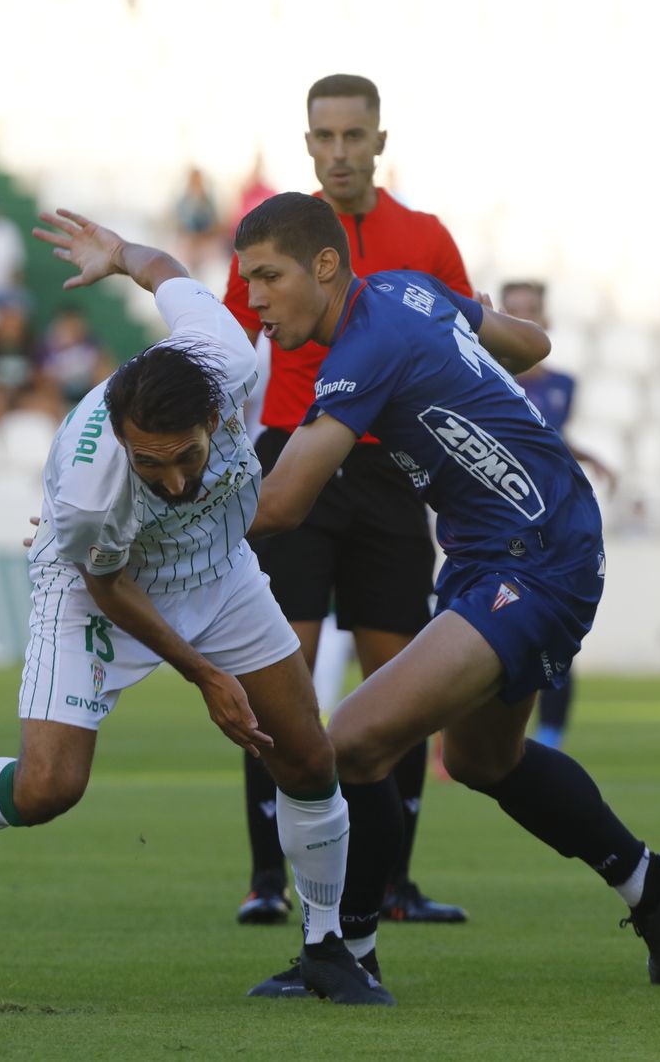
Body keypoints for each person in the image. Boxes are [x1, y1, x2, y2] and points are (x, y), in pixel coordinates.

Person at [0, 208, 392, 1005]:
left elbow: (166, 271)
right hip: (97, 594)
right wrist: (204, 675)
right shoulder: (88, 493)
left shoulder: (230, 360)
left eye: (186, 459)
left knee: (306, 756)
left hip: (220, 568)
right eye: (152, 466)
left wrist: (120, 254)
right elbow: (109, 584)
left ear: (217, 417)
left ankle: (325, 947)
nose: (172, 481)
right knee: (48, 789)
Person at [235, 192, 660, 996]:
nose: (254, 301)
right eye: (247, 283)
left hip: (534, 558)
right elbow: (531, 342)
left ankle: (347, 952)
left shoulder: (362, 348)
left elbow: (280, 504)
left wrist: (145, 530)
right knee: (484, 760)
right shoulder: (406, 290)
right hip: (516, 544)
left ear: (323, 266)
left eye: (268, 277)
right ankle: (650, 883)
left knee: (351, 740)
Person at [222, 73, 470, 928]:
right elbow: (224, 347)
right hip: (291, 455)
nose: (338, 153)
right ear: (307, 144)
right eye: (322, 137)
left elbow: (464, 351)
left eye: (352, 137)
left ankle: (392, 884)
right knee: (277, 674)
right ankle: (268, 879)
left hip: (391, 472)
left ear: (378, 141)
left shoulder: (424, 238)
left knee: (402, 684)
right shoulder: (273, 238)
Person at [498, 280, 614, 749]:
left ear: (546, 319)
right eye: (514, 309)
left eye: (532, 309)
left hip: (553, 522)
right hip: (500, 520)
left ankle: (548, 736)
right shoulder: (485, 378)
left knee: (556, 624)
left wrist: (588, 457)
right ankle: (479, 733)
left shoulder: (563, 386)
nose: (525, 317)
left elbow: (547, 439)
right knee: (497, 622)